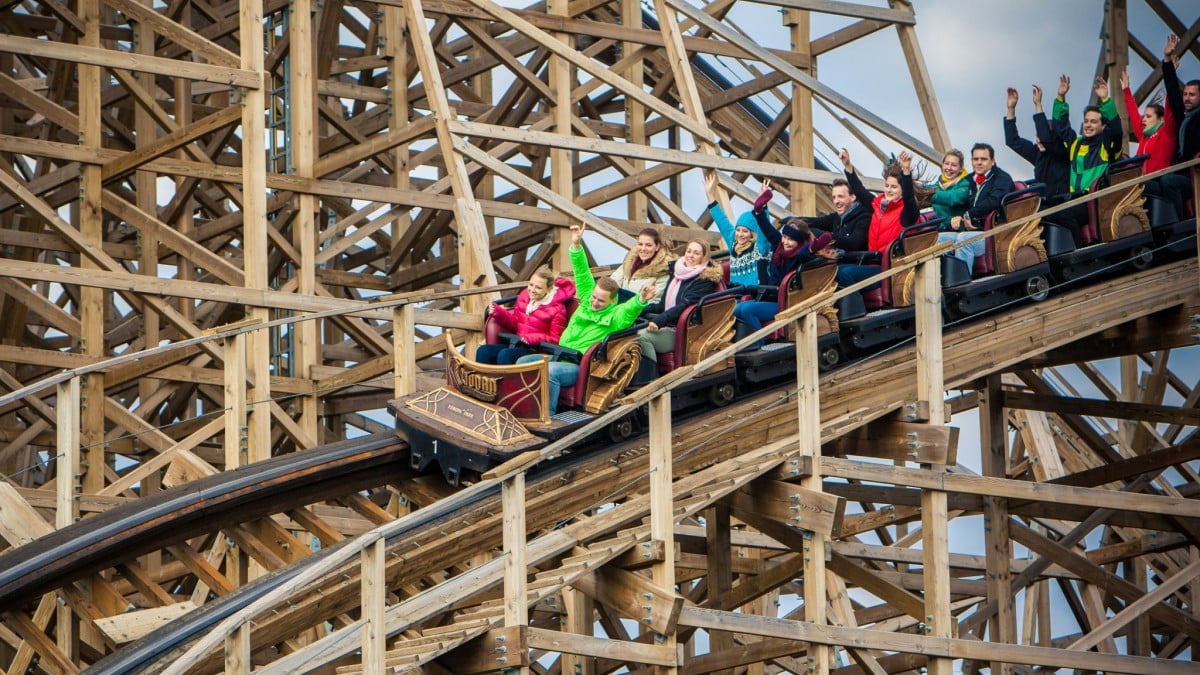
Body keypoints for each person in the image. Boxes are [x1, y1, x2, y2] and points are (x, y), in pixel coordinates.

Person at [516, 225, 653, 414]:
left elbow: (629, 311)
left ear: (612, 300)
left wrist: (641, 300)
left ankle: (548, 417)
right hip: (559, 355)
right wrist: (576, 244)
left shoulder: (615, 316)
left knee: (550, 374)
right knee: (523, 362)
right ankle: (523, 409)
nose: (595, 302)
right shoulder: (588, 298)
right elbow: (581, 272)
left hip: (578, 365)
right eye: (594, 297)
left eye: (600, 300)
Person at [812, 149, 920, 291]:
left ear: (902, 190)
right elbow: (859, 189)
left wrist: (906, 172)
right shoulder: (877, 206)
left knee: (844, 273)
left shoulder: (907, 213)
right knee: (828, 271)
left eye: (894, 187)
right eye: (887, 186)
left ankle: (854, 309)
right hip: (872, 263)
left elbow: (909, 199)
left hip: (890, 268)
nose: (888, 190)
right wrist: (848, 165)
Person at [731, 179, 819, 345]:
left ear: (799, 242)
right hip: (771, 296)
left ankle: (761, 346)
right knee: (738, 308)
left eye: (791, 240)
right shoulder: (779, 246)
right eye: (785, 237)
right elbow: (766, 229)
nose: (786, 242)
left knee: (748, 309)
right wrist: (760, 208)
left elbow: (807, 253)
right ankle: (750, 345)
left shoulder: (800, 254)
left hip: (786, 302)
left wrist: (815, 247)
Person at [631, 239, 723, 385]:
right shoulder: (677, 273)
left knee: (642, 337)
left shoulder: (704, 280)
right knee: (627, 331)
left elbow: (683, 306)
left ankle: (649, 381)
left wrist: (659, 321)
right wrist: (636, 309)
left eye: (696, 253)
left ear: (703, 257)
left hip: (683, 331)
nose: (691, 255)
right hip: (669, 324)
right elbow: (662, 305)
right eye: (689, 251)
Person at [1050, 76, 1124, 246]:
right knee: (1046, 213)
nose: (1088, 125)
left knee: (1063, 214)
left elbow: (1117, 131)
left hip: (1096, 200)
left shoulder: (1107, 146)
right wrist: (1061, 98)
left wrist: (1105, 100)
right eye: (1086, 121)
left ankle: (1080, 251)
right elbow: (1061, 127)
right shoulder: (1076, 143)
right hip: (1074, 199)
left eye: (1094, 122)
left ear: (1103, 126)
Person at [1121, 58, 1187, 220]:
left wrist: (1169, 72)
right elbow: (1133, 114)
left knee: (1134, 186)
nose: (1143, 119)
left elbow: (1170, 103)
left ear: (1161, 119)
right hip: (1147, 181)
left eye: (1148, 116)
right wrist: (1126, 90)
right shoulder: (1144, 135)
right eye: (1144, 116)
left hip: (1159, 180)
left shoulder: (1167, 132)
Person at [935, 143, 1015, 272]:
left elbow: (993, 202)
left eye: (983, 159)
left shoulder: (1002, 179)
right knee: (939, 239)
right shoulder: (968, 180)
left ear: (993, 161)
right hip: (970, 229)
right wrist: (954, 219)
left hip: (993, 231)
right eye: (975, 159)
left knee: (963, 240)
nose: (979, 163)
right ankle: (942, 281)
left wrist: (968, 215)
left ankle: (961, 282)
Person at [475, 267, 576, 365]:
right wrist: (499, 313)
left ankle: (506, 382)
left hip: (537, 350)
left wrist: (534, 338)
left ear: (549, 289)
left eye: (538, 288)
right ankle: (484, 381)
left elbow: (556, 340)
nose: (532, 290)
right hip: (517, 342)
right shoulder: (524, 296)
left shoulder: (557, 309)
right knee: (484, 351)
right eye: (531, 285)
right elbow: (515, 323)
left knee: (506, 355)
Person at [703, 171, 769, 287]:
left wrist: (762, 203)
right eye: (738, 230)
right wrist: (710, 196)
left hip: (755, 294)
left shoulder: (760, 247)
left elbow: (764, 227)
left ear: (752, 233)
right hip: (736, 295)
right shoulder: (733, 242)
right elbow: (722, 221)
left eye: (745, 231)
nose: (740, 234)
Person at [1004, 82, 1070, 197]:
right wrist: (1011, 109)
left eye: (1041, 136)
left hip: (1061, 202)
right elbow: (1013, 141)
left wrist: (1038, 105)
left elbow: (1046, 138)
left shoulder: (1062, 152)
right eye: (1037, 136)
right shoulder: (1037, 153)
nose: (1039, 140)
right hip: (1042, 202)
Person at [801, 177, 871, 253]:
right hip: (838, 262)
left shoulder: (864, 217)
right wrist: (793, 221)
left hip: (856, 263)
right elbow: (817, 221)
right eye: (834, 197)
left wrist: (826, 237)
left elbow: (853, 244)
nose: (836, 201)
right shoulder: (836, 217)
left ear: (853, 197)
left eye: (840, 196)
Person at [1163, 33, 1200, 164]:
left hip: (1194, 173)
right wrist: (1167, 59)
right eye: (1185, 94)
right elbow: (1172, 89)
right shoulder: (1183, 116)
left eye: (1192, 94)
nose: (1187, 98)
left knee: (1167, 181)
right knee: (1150, 184)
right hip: (1178, 168)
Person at [610, 227, 672, 303]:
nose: (643, 248)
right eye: (640, 244)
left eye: (648, 245)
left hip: (639, 312)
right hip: (618, 308)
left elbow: (655, 301)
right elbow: (611, 284)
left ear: (657, 246)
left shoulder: (663, 270)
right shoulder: (628, 263)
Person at [927, 149, 971, 223]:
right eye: (946, 163)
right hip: (938, 229)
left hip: (957, 230)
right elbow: (924, 189)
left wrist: (928, 194)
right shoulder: (938, 185)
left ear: (961, 168)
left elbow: (952, 198)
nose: (949, 168)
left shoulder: (966, 185)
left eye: (954, 165)